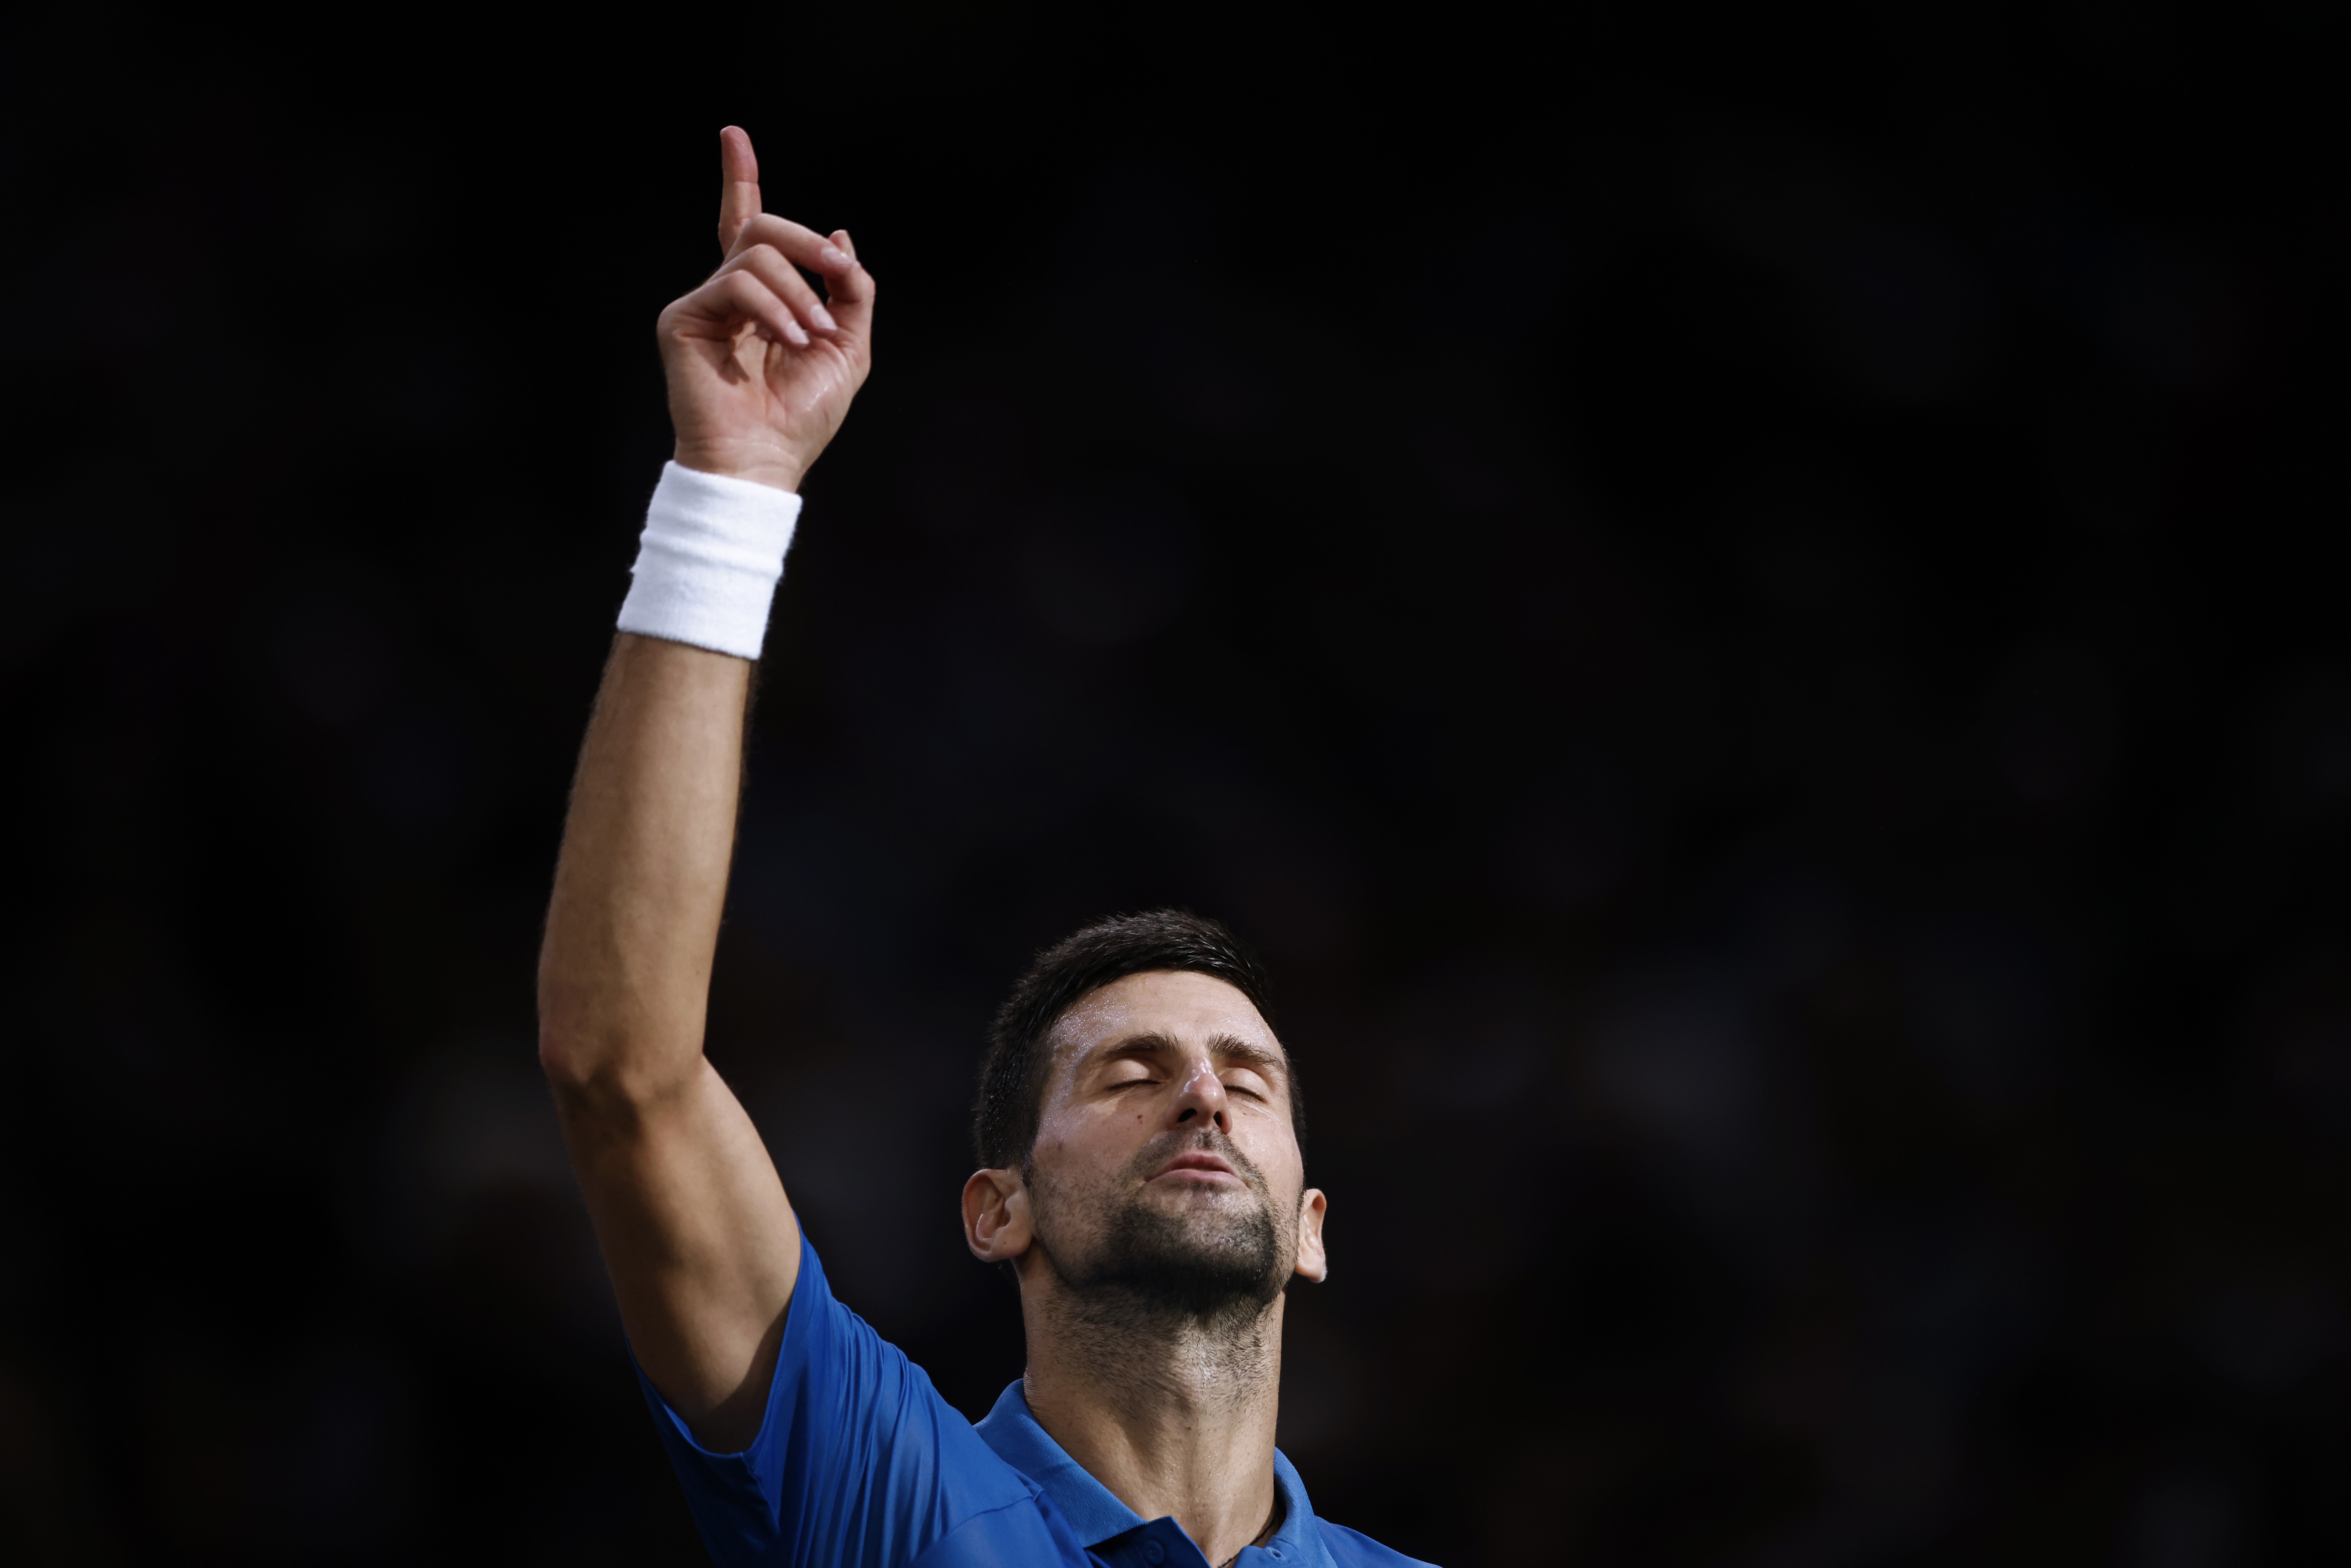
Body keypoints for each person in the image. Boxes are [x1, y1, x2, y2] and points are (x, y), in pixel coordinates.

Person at [537, 126, 1432, 1568]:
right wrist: (733, 483)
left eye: (1247, 1078)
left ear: (1312, 1222)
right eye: (1128, 1072)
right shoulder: (885, 1491)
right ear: (994, 1206)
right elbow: (622, 1070)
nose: (1201, 1091)